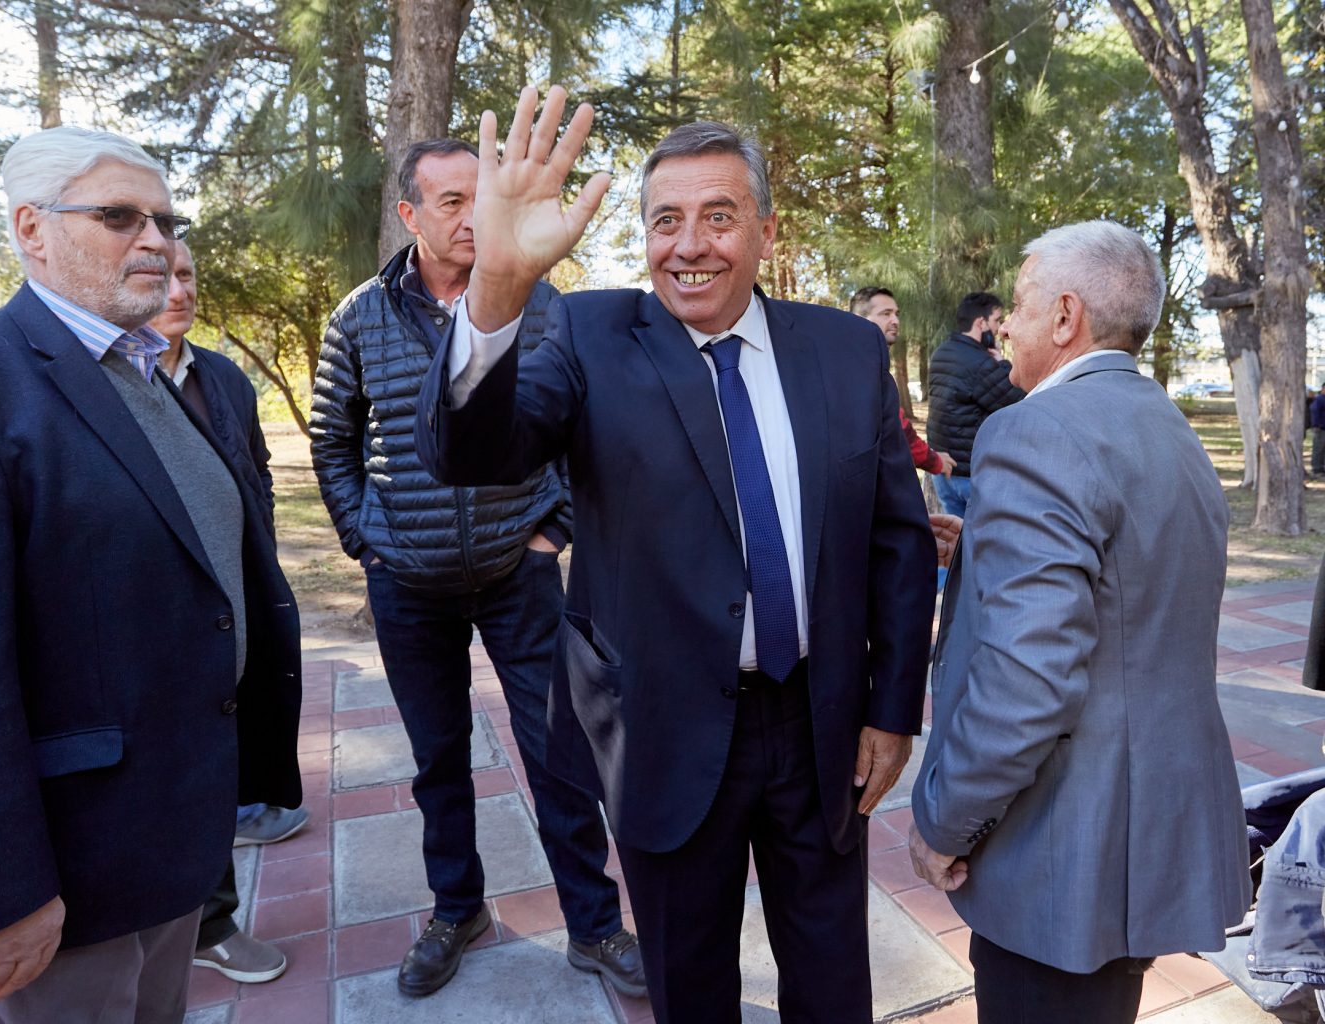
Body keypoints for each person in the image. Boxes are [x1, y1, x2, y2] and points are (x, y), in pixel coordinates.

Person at [415, 90, 934, 1023]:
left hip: (820, 728)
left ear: (766, 231)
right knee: (688, 991)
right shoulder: (588, 336)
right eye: (665, 221)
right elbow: (470, 454)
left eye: (718, 217)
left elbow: (897, 542)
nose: (689, 245)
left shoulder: (848, 350)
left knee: (833, 985)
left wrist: (893, 709)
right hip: (662, 728)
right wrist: (496, 285)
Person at [0, 126, 304, 1021]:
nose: (155, 241)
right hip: (56, 873)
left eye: (165, 221)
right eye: (120, 216)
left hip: (169, 839)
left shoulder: (143, 374)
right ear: (31, 228)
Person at [310, 137, 643, 999]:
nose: (471, 216)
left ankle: (595, 925)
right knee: (437, 759)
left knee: (558, 754)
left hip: (517, 573)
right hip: (406, 581)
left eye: (479, 197)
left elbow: (584, 432)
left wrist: (552, 531)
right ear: (410, 215)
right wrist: (365, 538)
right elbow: (332, 439)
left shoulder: (541, 303)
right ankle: (457, 910)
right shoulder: (359, 316)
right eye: (449, 201)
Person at [907, 221, 1250, 1024]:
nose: (1005, 328)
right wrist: (982, 550)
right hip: (1145, 835)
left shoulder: (1034, 430)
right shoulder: (1166, 423)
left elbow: (1026, 682)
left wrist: (944, 823)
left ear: (1065, 316)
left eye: (1020, 305)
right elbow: (1126, 588)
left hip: (1062, 851)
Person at [148, 241, 312, 985]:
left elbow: (258, 474)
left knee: (225, 752)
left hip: (237, 605)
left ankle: (208, 913)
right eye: (161, 278)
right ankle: (203, 925)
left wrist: (260, 554)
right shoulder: (107, 381)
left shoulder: (223, 377)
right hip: (157, 614)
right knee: (177, 765)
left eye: (186, 275)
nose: (177, 291)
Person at [925, 290, 1024, 517]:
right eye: (996, 320)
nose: (1000, 328)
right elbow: (1018, 401)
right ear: (981, 323)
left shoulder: (942, 352)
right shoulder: (980, 363)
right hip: (971, 476)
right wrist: (1003, 362)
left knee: (956, 534)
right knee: (982, 537)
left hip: (943, 470)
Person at [849, 286, 955, 479]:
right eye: (886, 313)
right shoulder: (858, 365)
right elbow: (895, 430)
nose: (895, 321)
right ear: (859, 319)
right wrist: (934, 461)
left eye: (896, 314)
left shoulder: (868, 360)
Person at [1309, 380, 1325, 479]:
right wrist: (1316, 425)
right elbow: (1314, 411)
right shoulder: (1319, 399)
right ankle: (1316, 469)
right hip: (1320, 428)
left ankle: (1321, 468)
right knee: (1318, 448)